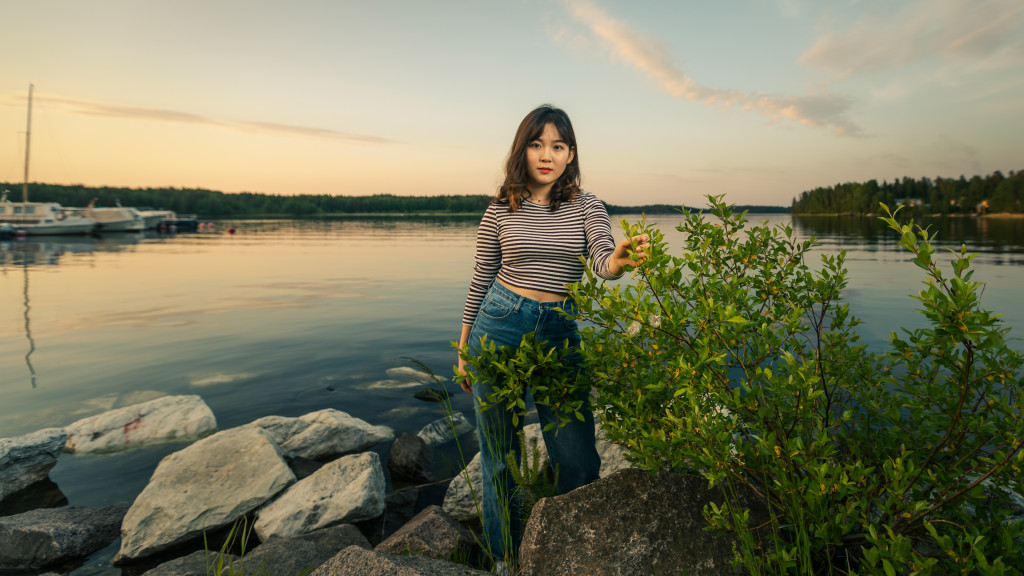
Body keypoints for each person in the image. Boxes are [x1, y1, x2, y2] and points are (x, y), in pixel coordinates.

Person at [456, 105, 647, 566]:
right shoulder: (500, 207)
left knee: (578, 457)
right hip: (497, 325)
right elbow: (481, 279)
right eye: (537, 144)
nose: (546, 154)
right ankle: (506, 559)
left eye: (557, 146)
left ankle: (569, 555)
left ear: (570, 154)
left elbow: (602, 258)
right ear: (523, 150)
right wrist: (463, 349)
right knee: (498, 457)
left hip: (560, 331)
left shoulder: (587, 205)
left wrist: (619, 261)